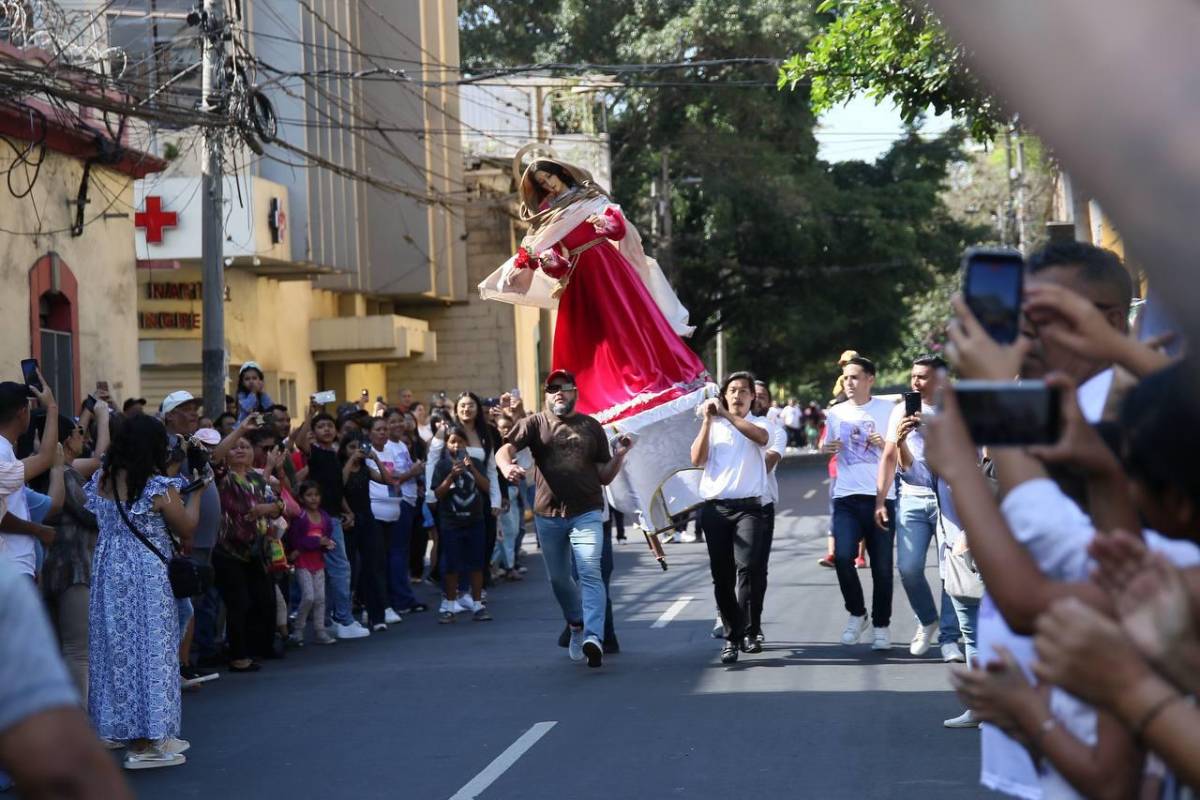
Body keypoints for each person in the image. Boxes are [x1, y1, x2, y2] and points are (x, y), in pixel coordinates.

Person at [482, 156, 707, 420]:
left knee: (628, 323)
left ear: (561, 173)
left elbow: (618, 229)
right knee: (592, 337)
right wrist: (551, 262)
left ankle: (644, 377)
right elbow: (558, 265)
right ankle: (600, 393)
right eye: (542, 182)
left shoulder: (590, 197)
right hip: (581, 278)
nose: (548, 184)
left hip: (608, 269)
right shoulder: (547, 214)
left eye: (549, 177)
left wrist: (608, 225)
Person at [86, 414, 204, 769]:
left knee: (120, 655)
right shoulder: (157, 487)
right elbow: (187, 528)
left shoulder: (103, 480)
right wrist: (198, 491)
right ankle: (149, 743)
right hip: (146, 576)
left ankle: (139, 735)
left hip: (109, 573)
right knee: (153, 652)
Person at [497, 370, 633, 668]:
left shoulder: (591, 426)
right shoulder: (535, 423)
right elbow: (504, 449)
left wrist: (619, 456)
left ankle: (593, 637)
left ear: (575, 392)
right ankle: (576, 624)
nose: (558, 392)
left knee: (590, 572)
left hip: (586, 512)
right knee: (559, 579)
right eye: (552, 388)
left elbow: (604, 476)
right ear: (546, 395)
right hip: (548, 515)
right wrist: (507, 467)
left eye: (564, 387)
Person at [0, 558, 133, 798]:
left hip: (57, 573)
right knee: (78, 652)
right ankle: (86, 720)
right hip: (72, 573)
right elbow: (64, 769)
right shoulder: (6, 587)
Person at [874, 355, 964, 662]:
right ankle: (927, 619)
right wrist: (880, 499)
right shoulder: (901, 410)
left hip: (950, 496)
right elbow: (889, 456)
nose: (915, 382)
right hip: (912, 496)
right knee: (909, 568)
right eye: (913, 376)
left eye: (923, 377)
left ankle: (950, 638)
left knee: (949, 570)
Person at [691, 372, 771, 664]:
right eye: (732, 390)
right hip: (716, 509)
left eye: (744, 391)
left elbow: (761, 439)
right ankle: (732, 636)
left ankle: (746, 631)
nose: (738, 395)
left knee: (747, 567)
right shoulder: (712, 426)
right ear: (724, 393)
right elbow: (696, 459)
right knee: (721, 577)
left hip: (749, 508)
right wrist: (708, 421)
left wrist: (725, 414)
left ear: (753, 397)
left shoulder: (760, 423)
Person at [823, 356, 897, 650]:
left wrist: (884, 444)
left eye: (854, 377)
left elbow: (900, 450)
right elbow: (826, 444)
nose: (848, 383)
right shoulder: (836, 412)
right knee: (842, 557)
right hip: (846, 497)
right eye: (845, 378)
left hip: (881, 497)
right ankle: (858, 613)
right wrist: (825, 447)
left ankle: (881, 625)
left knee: (882, 568)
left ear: (870, 379)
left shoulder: (888, 410)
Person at [212, 420, 284, 672]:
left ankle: (260, 647)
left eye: (245, 446)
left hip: (257, 549)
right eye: (235, 447)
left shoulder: (258, 477)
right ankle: (238, 655)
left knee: (264, 600)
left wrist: (269, 508)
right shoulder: (221, 476)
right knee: (238, 602)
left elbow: (279, 505)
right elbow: (215, 456)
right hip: (228, 549)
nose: (240, 450)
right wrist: (241, 430)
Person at [294, 409, 370, 640]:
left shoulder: (335, 454)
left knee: (333, 570)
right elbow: (298, 441)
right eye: (321, 426)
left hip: (334, 515)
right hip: (321, 518)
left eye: (330, 425)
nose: (326, 429)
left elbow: (337, 487)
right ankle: (343, 619)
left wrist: (347, 511)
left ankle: (330, 619)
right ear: (314, 433)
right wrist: (309, 414)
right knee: (339, 569)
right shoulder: (315, 452)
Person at [426, 393, 500, 611]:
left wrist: (495, 498)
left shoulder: (486, 433)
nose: (467, 409)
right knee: (450, 549)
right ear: (456, 409)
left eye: (471, 405)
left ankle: (469, 592)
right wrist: (431, 495)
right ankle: (449, 596)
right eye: (462, 406)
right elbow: (431, 459)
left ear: (477, 408)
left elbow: (492, 469)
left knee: (480, 545)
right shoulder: (446, 430)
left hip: (479, 497)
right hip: (450, 499)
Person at [366, 416, 425, 619]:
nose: (385, 431)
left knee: (398, 555)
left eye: (386, 428)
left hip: (398, 507)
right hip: (377, 512)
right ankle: (386, 604)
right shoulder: (368, 453)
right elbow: (392, 478)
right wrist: (413, 472)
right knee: (384, 559)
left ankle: (399, 599)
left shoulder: (394, 447)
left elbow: (396, 478)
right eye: (380, 428)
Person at [431, 425, 492, 622]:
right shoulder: (442, 466)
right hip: (451, 523)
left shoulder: (475, 462)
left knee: (476, 563)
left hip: (475, 521)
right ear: (446, 444)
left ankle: (477, 605)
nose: (456, 445)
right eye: (452, 441)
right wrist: (451, 476)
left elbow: (486, 487)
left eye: (460, 441)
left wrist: (472, 468)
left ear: (466, 443)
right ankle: (449, 606)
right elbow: (438, 494)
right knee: (451, 565)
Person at [0, 377, 59, 577]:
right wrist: (51, 406)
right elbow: (46, 458)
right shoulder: (0, 451)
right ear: (23, 412)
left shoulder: (5, 449)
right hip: (11, 567)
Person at [338, 435, 388, 631]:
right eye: (352, 447)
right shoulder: (342, 466)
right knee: (349, 568)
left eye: (360, 447)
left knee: (373, 567)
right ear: (344, 449)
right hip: (348, 522)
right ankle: (346, 616)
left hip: (368, 519)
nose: (357, 451)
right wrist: (351, 459)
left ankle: (377, 615)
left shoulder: (366, 469)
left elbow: (386, 480)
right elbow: (339, 485)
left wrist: (375, 459)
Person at [286, 481, 336, 645]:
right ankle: (298, 630)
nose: (313, 499)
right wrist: (317, 543)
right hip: (303, 563)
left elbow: (326, 540)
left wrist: (327, 545)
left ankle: (320, 630)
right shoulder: (301, 518)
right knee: (308, 597)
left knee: (320, 598)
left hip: (318, 563)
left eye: (316, 495)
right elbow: (296, 541)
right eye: (309, 495)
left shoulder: (325, 518)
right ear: (301, 498)